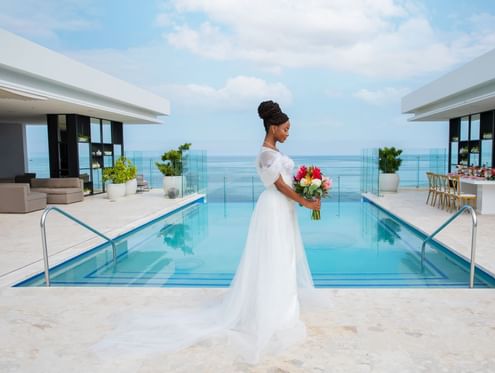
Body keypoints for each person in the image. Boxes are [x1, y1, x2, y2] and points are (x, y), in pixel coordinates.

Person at [95, 100, 327, 364]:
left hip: (283, 210)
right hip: (274, 208)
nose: (288, 133)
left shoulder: (273, 153)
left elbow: (288, 184)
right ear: (273, 128)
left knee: (284, 257)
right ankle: (273, 312)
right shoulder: (266, 155)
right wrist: (306, 200)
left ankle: (283, 306)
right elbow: (281, 187)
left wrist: (306, 192)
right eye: (285, 129)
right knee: (274, 258)